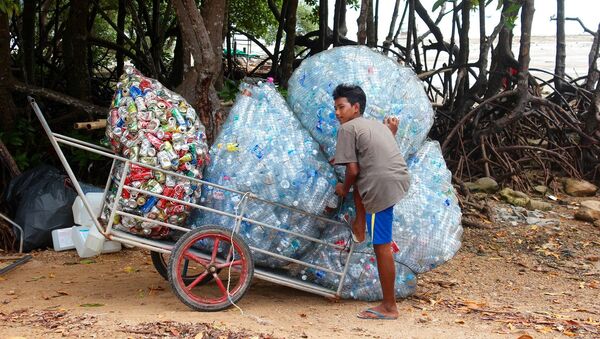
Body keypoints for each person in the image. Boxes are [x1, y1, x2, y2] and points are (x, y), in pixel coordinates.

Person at [332, 84, 410, 320]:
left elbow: (353, 171)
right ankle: (360, 223)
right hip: (398, 178)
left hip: (380, 185)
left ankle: (389, 307)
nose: (337, 113)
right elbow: (373, 151)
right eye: (335, 108)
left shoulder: (347, 129)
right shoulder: (375, 125)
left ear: (356, 108)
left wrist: (342, 189)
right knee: (360, 186)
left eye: (341, 107)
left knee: (381, 245)